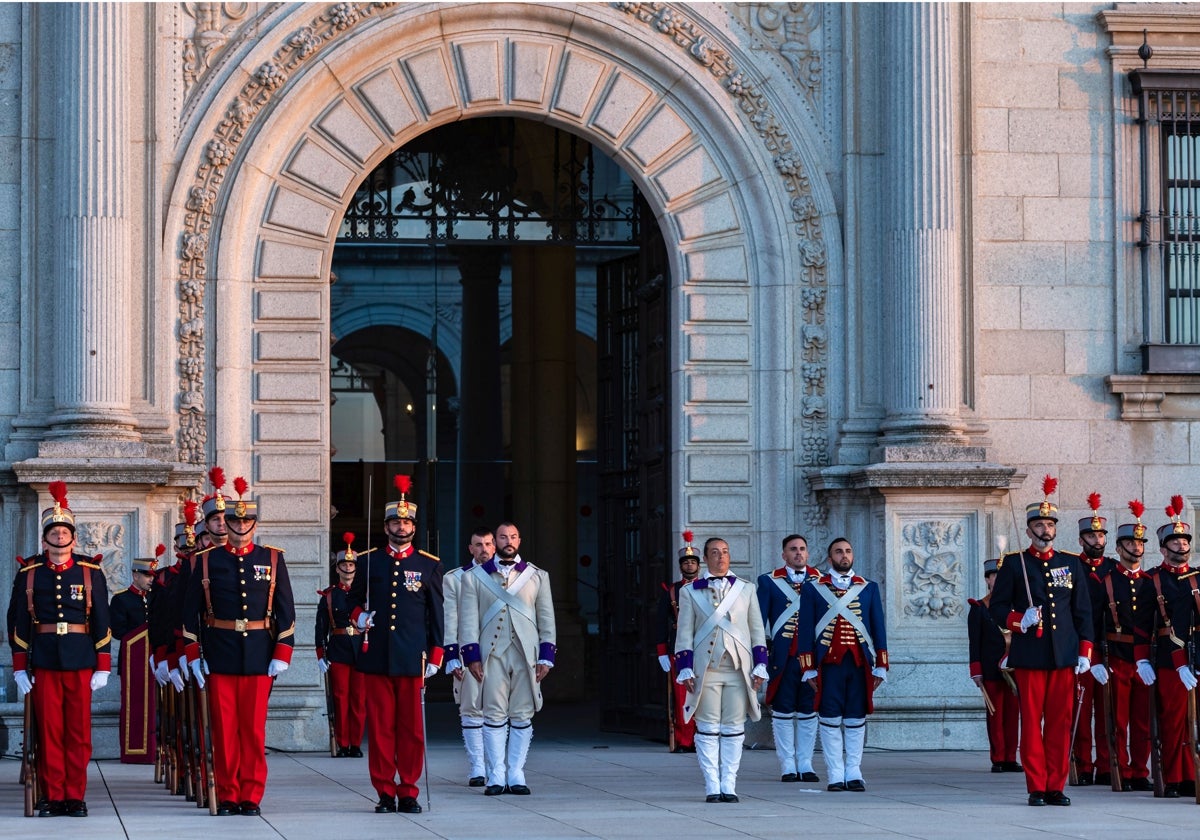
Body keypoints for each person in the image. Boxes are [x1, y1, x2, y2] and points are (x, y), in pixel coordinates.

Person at [182, 476, 296, 816]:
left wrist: (282, 652)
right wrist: (194, 657)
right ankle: (229, 793)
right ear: (225, 524)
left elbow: (286, 611)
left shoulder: (272, 559)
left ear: (255, 524)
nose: (240, 525)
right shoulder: (205, 561)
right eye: (234, 520)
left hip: (260, 653)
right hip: (220, 651)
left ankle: (251, 795)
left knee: (252, 729)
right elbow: (191, 616)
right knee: (224, 729)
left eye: (246, 520)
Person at [10, 481, 112, 817]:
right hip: (44, 659)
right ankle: (53, 795)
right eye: (53, 532)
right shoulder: (30, 572)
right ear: (45, 538)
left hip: (80, 657)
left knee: (78, 732)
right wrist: (20, 666)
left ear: (73, 536)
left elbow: (101, 617)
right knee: (50, 731)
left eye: (64, 531)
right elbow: (17, 620)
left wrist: (102, 664)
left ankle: (75, 795)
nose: (59, 537)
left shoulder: (89, 571)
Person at [989, 476, 1093, 807]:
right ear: (1030, 528)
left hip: (1063, 654)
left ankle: (1056, 785)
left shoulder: (1071, 563)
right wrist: (1020, 621)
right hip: (1031, 653)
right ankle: (1036, 785)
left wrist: (1085, 651)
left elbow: (1083, 613)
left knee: (1060, 724)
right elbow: (997, 608)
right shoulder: (1015, 563)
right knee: (1032, 723)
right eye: (1039, 524)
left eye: (1050, 524)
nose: (1045, 530)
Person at [350, 475, 444, 814]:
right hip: (375, 656)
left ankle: (409, 790)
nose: (400, 527)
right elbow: (351, 602)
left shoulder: (429, 565)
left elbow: (437, 614)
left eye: (405, 522)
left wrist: (436, 654)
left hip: (412, 658)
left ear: (413, 527)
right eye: (395, 522)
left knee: (411, 731)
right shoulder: (368, 560)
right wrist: (359, 617)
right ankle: (384, 791)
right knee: (380, 730)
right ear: (386, 525)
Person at [459, 521, 556, 797]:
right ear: (495, 542)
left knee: (522, 714)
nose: (508, 541)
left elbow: (546, 617)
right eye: (502, 537)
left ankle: (516, 772)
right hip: (492, 655)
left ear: (519, 541)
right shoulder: (474, 577)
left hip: (526, 654)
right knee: (493, 713)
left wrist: (547, 656)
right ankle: (496, 775)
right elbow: (468, 620)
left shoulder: (537, 576)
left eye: (513, 536)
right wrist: (471, 656)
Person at [674, 536, 767, 803]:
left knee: (734, 729)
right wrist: (685, 668)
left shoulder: (746, 589)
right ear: (705, 558)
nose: (721, 557)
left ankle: (729, 783)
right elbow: (684, 634)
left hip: (738, 670)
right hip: (707, 670)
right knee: (707, 728)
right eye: (715, 552)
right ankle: (712, 784)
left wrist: (760, 664)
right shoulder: (689, 591)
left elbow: (757, 630)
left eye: (725, 552)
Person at [797, 536, 888, 793]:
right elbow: (805, 631)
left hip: (859, 663)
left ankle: (854, 771)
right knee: (829, 716)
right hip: (828, 664)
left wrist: (881, 664)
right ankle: (835, 773)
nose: (844, 556)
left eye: (848, 551)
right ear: (830, 558)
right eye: (838, 552)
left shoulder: (868, 588)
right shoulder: (814, 588)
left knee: (856, 717)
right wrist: (808, 667)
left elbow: (878, 627)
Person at [1093, 499, 1154, 792]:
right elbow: (1094, 623)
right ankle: (1119, 768)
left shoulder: (1151, 581)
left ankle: (1140, 771)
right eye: (1130, 543)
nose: (1136, 548)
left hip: (1145, 659)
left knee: (1143, 720)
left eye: (1140, 543)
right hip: (1116, 657)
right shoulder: (1105, 581)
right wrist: (1095, 659)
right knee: (1117, 720)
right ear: (1118, 549)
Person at [1141, 495, 1198, 798]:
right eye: (1174, 542)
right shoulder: (1153, 580)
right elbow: (1140, 625)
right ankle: (1173, 777)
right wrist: (1142, 659)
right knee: (1173, 720)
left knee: (1195, 721)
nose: (1180, 546)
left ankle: (1193, 774)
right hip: (1167, 659)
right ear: (1163, 549)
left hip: (1196, 657)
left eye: (1184, 541)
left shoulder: (1198, 578)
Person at [757, 533, 820, 782]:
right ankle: (787, 764)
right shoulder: (769, 582)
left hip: (811, 660)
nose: (798, 553)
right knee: (782, 711)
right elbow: (759, 624)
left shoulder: (821, 581)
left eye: (802, 549)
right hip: (782, 657)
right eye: (793, 549)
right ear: (784, 555)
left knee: (808, 711)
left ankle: (805, 763)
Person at [443, 526, 495, 785]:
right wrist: (451, 654)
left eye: (488, 544)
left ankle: (496, 766)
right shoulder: (455, 578)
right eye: (478, 544)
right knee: (471, 708)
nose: (483, 549)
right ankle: (477, 766)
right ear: (470, 548)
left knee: (499, 711)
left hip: (500, 651)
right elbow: (450, 619)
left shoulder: (508, 576)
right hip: (468, 651)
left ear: (494, 547)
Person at [1071, 492, 1114, 786]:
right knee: (1082, 711)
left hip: (1111, 648)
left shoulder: (1113, 569)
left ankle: (1107, 766)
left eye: (1100, 536)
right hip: (1082, 647)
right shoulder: (1073, 568)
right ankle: (1083, 766)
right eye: (1091, 536)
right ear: (1081, 540)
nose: (1097, 541)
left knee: (1109, 713)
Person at [315, 532, 368, 758]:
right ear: (337, 568)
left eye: (351, 564)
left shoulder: (365, 596)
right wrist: (320, 654)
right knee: (340, 698)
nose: (348, 568)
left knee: (359, 699)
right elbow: (320, 628)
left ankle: (355, 743)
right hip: (338, 649)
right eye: (344, 564)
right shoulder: (329, 596)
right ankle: (342, 742)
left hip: (361, 648)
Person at [110, 545, 164, 765]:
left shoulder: (157, 597)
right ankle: (135, 750)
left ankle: (156, 749)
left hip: (157, 660)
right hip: (134, 662)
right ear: (135, 575)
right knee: (134, 705)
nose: (151, 580)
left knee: (159, 706)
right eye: (147, 575)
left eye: (153, 575)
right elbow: (118, 631)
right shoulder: (121, 599)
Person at [967, 556, 1020, 773]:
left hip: (1015, 668)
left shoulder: (1016, 608)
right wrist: (976, 672)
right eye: (994, 576)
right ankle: (998, 757)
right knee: (995, 715)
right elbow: (975, 643)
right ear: (987, 580)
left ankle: (1010, 757)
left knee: (1013, 715)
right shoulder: (979, 608)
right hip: (990, 669)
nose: (998, 580)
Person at [655, 530, 701, 753]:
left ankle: (704, 738)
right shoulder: (672, 591)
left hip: (704, 647)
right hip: (679, 649)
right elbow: (660, 621)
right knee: (683, 696)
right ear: (681, 566)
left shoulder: (709, 587)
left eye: (693, 562)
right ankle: (685, 740)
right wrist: (662, 650)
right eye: (686, 562)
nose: (690, 566)